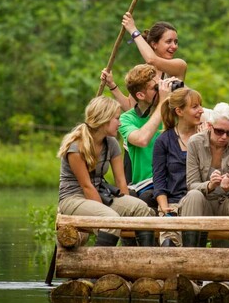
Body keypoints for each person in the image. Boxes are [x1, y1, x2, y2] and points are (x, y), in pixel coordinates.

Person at [56, 95, 156, 247]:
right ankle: (99, 264)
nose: (120, 122)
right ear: (104, 119)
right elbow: (86, 186)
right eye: (117, 118)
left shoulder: (111, 143)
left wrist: (128, 207)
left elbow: (121, 182)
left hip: (100, 193)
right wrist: (105, 216)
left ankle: (145, 258)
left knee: (141, 208)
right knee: (110, 219)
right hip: (74, 198)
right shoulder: (76, 147)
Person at [182, 102, 229, 248]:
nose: (225, 136)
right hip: (203, 202)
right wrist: (210, 185)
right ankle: (189, 254)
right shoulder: (195, 142)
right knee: (193, 195)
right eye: (219, 131)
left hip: (226, 202)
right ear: (209, 126)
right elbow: (191, 184)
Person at [116, 63, 178, 207]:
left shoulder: (173, 111)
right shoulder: (126, 119)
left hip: (170, 181)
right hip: (143, 184)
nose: (161, 90)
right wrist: (162, 102)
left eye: (160, 84)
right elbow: (142, 139)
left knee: (147, 198)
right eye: (155, 88)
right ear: (140, 95)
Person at [152, 87, 204, 246]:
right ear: (179, 112)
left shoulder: (207, 137)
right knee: (169, 243)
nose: (201, 110)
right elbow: (159, 180)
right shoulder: (164, 140)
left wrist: (205, 142)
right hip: (173, 203)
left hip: (200, 202)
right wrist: (163, 207)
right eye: (195, 107)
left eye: (200, 106)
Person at [121, 13, 187, 81]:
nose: (174, 46)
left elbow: (151, 60)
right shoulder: (142, 72)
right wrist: (113, 86)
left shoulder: (180, 65)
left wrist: (133, 30)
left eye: (175, 42)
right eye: (168, 41)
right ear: (154, 44)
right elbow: (135, 92)